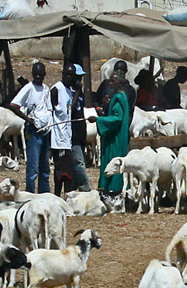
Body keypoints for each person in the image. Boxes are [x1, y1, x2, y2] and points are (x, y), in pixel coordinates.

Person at [9, 62, 52, 193]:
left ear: (44, 75)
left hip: (45, 130)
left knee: (45, 167)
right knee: (33, 167)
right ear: (33, 74)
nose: (38, 76)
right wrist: (28, 120)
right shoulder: (29, 88)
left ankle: (44, 194)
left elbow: (49, 109)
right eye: (36, 74)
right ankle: (30, 194)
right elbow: (13, 105)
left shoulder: (46, 89)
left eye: (41, 74)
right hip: (33, 131)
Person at [87, 75, 130, 192]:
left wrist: (98, 120)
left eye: (113, 81)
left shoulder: (119, 98)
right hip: (113, 135)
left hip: (115, 138)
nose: (110, 84)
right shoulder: (116, 97)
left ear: (119, 83)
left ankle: (113, 188)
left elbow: (117, 118)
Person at [50, 64, 79, 196]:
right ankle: (57, 195)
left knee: (69, 170)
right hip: (57, 138)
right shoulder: (56, 89)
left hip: (67, 137)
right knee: (60, 169)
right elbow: (51, 110)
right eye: (67, 75)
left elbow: (70, 109)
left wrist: (77, 92)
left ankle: (67, 195)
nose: (69, 78)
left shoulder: (70, 91)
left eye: (71, 76)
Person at [70, 64, 91, 192]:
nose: (79, 81)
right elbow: (70, 110)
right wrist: (77, 92)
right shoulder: (68, 92)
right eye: (77, 78)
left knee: (76, 161)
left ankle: (73, 188)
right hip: (71, 132)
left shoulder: (81, 93)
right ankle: (85, 187)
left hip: (80, 130)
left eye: (81, 78)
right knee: (78, 161)